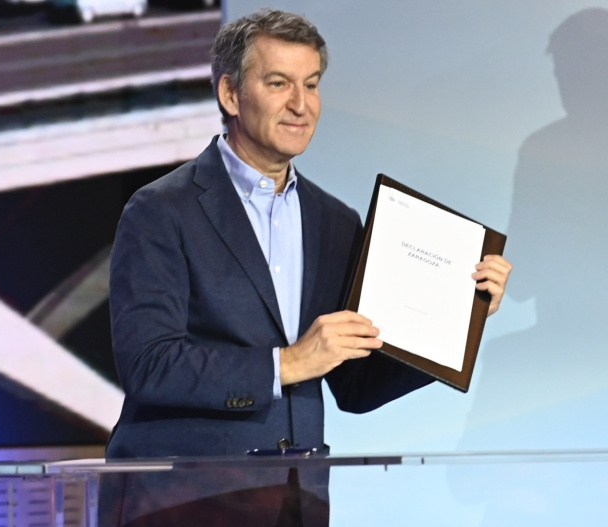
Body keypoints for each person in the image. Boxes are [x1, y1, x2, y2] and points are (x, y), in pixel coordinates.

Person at [101, 9, 511, 525]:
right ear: (231, 94)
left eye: (311, 84)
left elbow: (356, 386)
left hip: (297, 503)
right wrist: (286, 364)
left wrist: (461, 318)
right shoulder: (160, 210)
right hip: (182, 503)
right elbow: (150, 365)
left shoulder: (334, 221)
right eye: (279, 83)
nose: (301, 104)